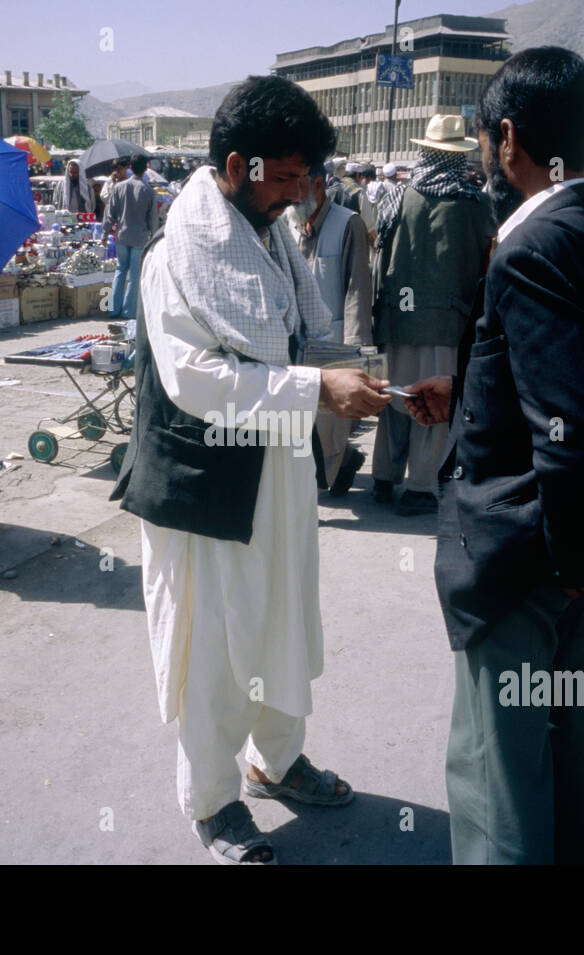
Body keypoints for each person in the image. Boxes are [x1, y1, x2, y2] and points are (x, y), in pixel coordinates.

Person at [404, 47, 584, 865]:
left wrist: (569, 559)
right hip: (576, 559)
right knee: (565, 756)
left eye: (486, 139)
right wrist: (477, 393)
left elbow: (578, 420)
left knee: (497, 785)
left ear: (508, 139)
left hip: (529, 559)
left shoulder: (530, 250)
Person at [110, 74, 391, 865]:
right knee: (216, 648)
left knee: (282, 621)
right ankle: (213, 802)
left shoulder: (268, 238)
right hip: (207, 487)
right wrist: (313, 389)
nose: (302, 195)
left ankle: (276, 758)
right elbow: (197, 381)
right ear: (239, 164)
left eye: (310, 178)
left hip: (277, 474)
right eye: (289, 176)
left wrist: (381, 387)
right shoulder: (176, 255)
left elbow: (301, 341)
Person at [372, 114, 496, 516]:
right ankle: (420, 487)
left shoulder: (398, 196)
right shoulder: (474, 203)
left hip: (396, 317)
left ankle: (383, 477)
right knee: (431, 403)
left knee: (395, 397)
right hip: (447, 321)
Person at [285, 163, 373, 495]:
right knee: (296, 423)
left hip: (332, 344)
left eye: (299, 186)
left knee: (328, 426)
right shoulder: (287, 222)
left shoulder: (347, 224)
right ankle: (317, 477)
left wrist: (356, 353)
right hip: (293, 343)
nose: (292, 195)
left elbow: (357, 291)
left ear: (319, 185)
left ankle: (341, 462)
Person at [103, 153, 159, 321]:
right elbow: (153, 219)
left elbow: (109, 213)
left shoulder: (119, 188)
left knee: (120, 270)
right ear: (145, 168)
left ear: (130, 168)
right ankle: (128, 312)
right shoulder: (149, 191)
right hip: (140, 238)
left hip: (121, 235)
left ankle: (112, 309)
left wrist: (105, 232)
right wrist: (154, 237)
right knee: (135, 275)